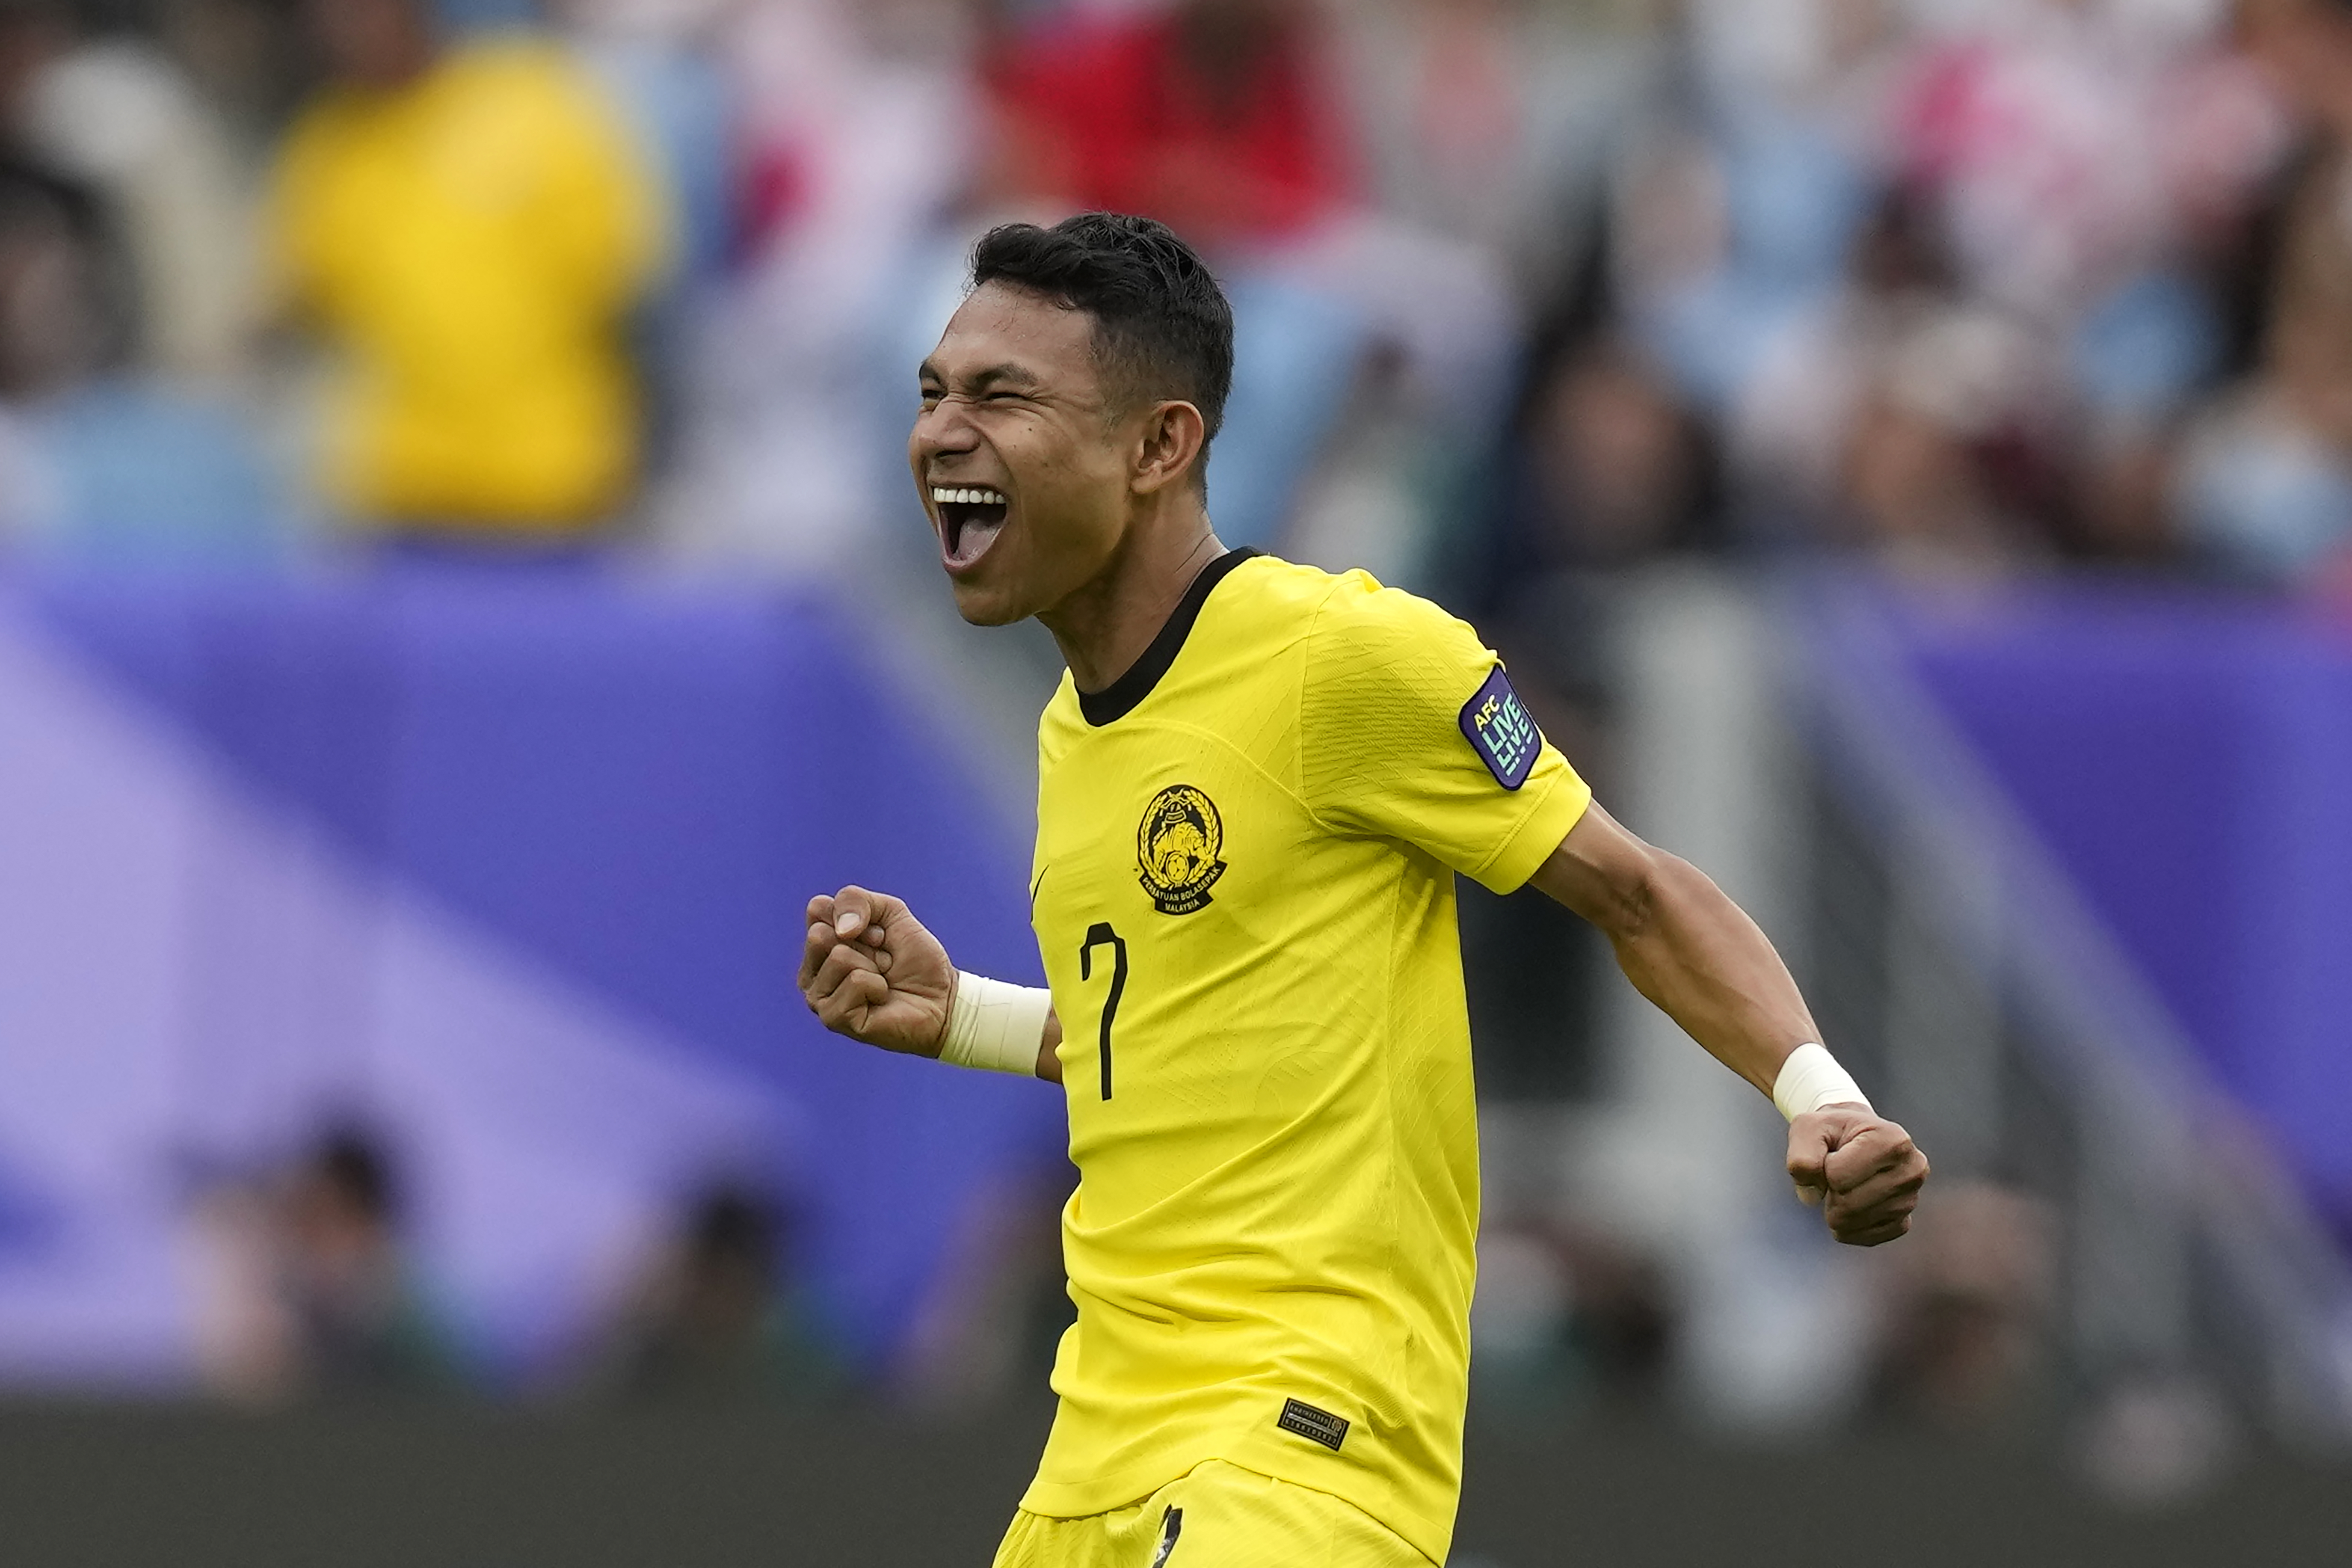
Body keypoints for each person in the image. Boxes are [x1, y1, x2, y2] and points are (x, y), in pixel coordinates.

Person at [797, 213, 1929, 1568]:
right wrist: (960, 1016)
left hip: (1288, 1454)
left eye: (1000, 396)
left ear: (1160, 445)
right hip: (1089, 1466)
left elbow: (1638, 893)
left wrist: (1821, 1101)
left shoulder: (1339, 659)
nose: (939, 433)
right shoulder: (1072, 730)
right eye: (931, 393)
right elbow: (1181, 1044)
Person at [268, 0, 663, 542]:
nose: (347, 32)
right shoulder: (331, 145)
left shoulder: (528, 100)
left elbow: (625, 282)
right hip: (406, 488)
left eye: (363, 13)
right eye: (331, 18)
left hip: (552, 482)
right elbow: (300, 301)